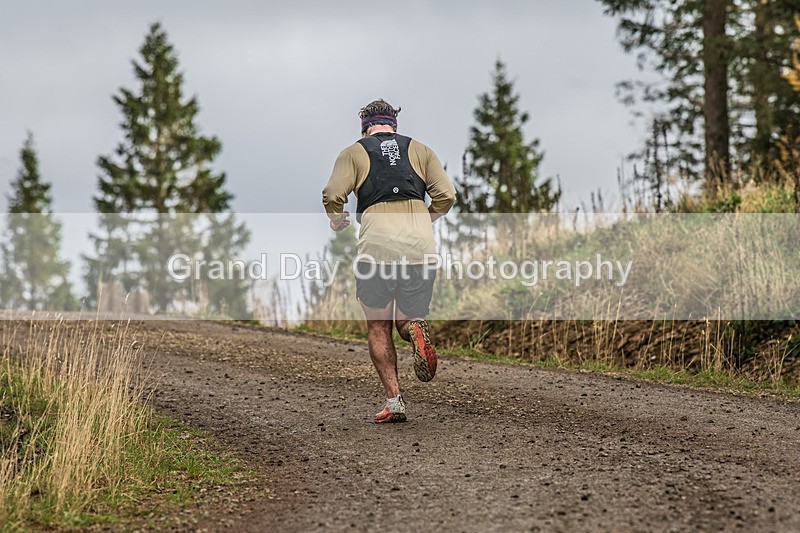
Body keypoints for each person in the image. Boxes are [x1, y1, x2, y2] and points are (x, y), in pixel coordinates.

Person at [322, 99, 456, 423]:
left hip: (377, 247)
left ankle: (395, 401)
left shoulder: (354, 152)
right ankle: (415, 330)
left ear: (365, 127)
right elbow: (448, 195)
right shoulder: (421, 151)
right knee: (405, 321)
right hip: (420, 245)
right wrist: (426, 218)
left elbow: (332, 194)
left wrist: (337, 218)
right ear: (393, 124)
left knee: (378, 325)